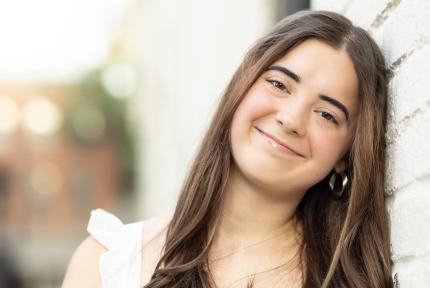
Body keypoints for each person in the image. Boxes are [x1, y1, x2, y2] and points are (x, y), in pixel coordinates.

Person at [62, 10, 393, 288]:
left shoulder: (350, 280)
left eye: (326, 114)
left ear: (346, 156)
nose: (291, 119)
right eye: (279, 84)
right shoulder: (108, 263)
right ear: (241, 89)